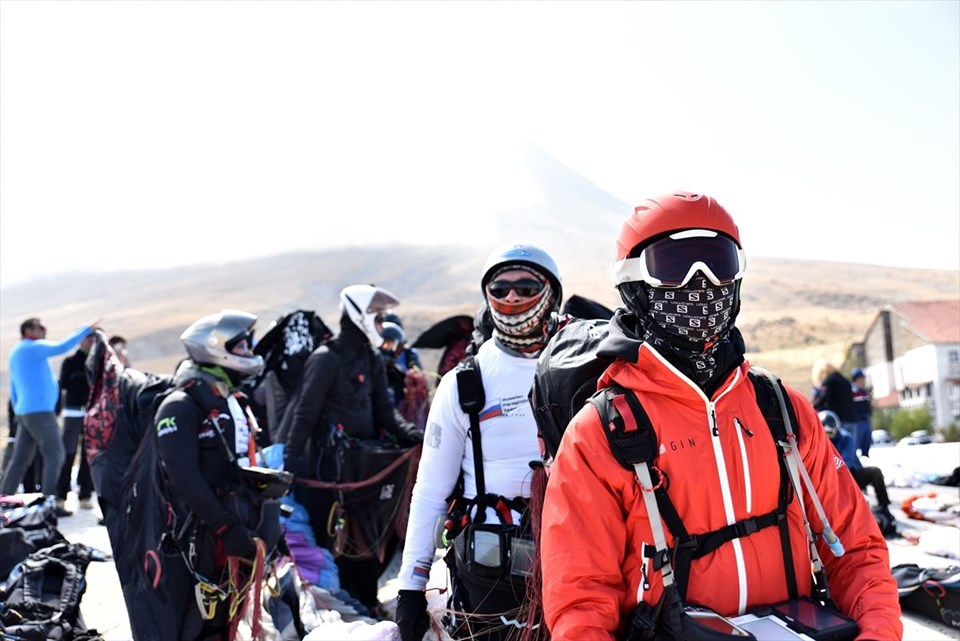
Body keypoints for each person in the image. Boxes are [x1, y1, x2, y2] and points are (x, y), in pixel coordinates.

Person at [539, 192, 901, 640]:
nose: (701, 282)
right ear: (634, 283)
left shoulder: (780, 409)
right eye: (673, 266)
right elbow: (581, 604)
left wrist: (877, 633)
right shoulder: (601, 434)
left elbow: (856, 550)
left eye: (719, 263)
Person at [395, 243, 563, 641]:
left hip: (575, 560)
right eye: (500, 288)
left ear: (551, 292)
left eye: (526, 287)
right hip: (487, 574)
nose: (512, 297)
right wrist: (410, 587)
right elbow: (430, 491)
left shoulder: (582, 368)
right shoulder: (464, 383)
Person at [281, 284, 424, 612]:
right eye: (377, 318)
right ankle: (343, 611)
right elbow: (304, 415)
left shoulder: (371, 358)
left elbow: (385, 414)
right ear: (361, 315)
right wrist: (290, 463)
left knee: (369, 540)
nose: (381, 325)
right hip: (327, 473)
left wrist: (414, 436)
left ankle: (367, 607)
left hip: (364, 470)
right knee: (336, 543)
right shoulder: (325, 359)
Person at [154, 309, 282, 641]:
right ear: (215, 348)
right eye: (242, 346)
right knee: (201, 626)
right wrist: (228, 528)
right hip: (205, 537)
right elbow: (183, 478)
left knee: (230, 619)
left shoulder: (232, 400)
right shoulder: (179, 405)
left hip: (237, 531)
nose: (249, 352)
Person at [1, 317, 99, 516]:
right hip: (39, 412)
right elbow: (61, 347)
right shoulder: (32, 347)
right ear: (28, 330)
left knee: (21, 458)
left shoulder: (17, 352)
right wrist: (85, 330)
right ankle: (49, 504)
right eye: (40, 327)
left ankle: (4, 499)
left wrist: (19, 409)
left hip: (26, 411)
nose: (44, 330)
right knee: (55, 453)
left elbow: (14, 387)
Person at [819, 410, 896, 533]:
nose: (829, 437)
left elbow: (846, 462)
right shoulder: (817, 441)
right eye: (826, 433)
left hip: (849, 475)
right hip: (826, 480)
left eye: (831, 433)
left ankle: (884, 507)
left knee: (875, 472)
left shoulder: (846, 438)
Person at [56, 332, 97, 512]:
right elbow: (64, 383)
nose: (90, 341)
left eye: (93, 339)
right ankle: (60, 495)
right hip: (73, 411)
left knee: (89, 454)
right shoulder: (70, 361)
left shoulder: (99, 361)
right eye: (87, 338)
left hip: (92, 412)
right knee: (68, 453)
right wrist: (85, 378)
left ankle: (85, 494)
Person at [812, 360, 858, 442]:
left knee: (838, 447)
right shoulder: (845, 381)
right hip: (851, 419)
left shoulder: (829, 381)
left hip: (839, 420)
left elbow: (825, 397)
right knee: (850, 446)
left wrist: (813, 407)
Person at [850, 367, 873, 457]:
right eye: (861, 378)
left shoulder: (863, 392)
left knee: (866, 441)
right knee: (856, 443)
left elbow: (868, 406)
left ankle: (865, 456)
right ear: (857, 379)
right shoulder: (852, 391)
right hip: (857, 421)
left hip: (865, 419)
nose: (863, 380)